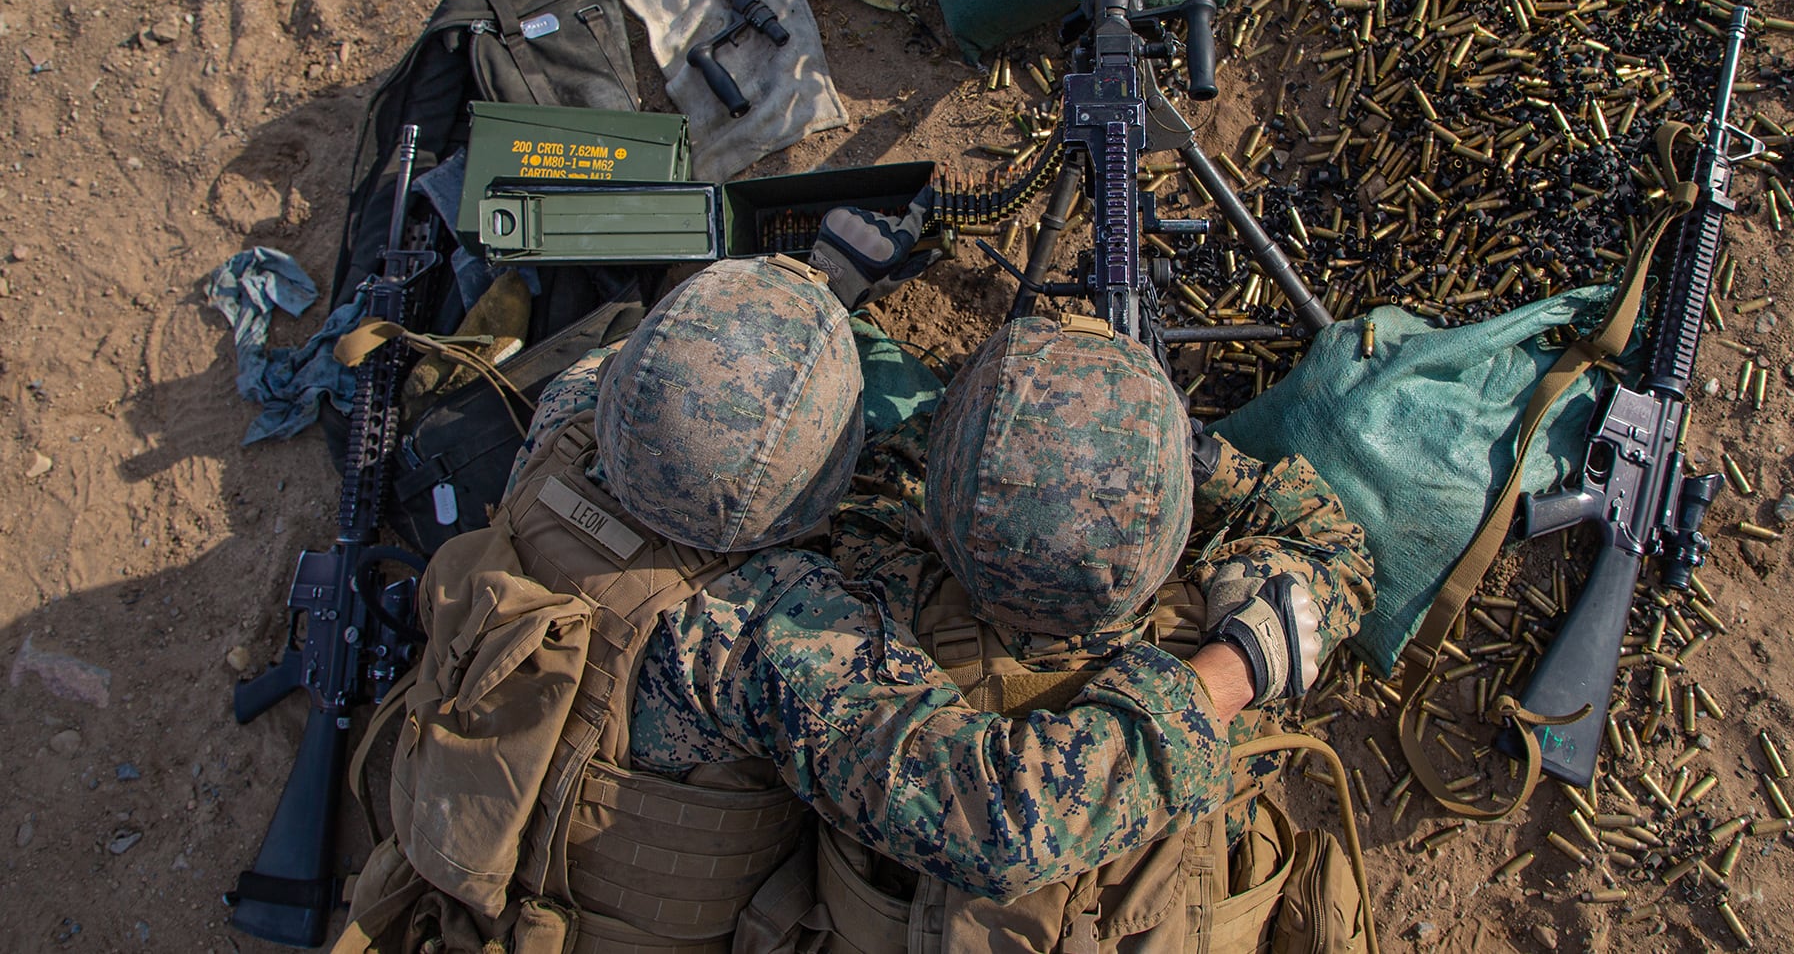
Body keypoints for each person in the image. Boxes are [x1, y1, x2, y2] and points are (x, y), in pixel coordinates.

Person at [336, 206, 1341, 954]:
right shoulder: (762, 636)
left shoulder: (564, 430)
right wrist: (1223, 675)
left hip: (460, 868)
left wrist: (811, 290)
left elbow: (662, 376)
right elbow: (995, 819)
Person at [811, 313, 1377, 952]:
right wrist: (1194, 456)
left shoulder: (885, 617)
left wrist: (994, 425)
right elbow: (1328, 538)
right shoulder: (1233, 669)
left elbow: (875, 490)